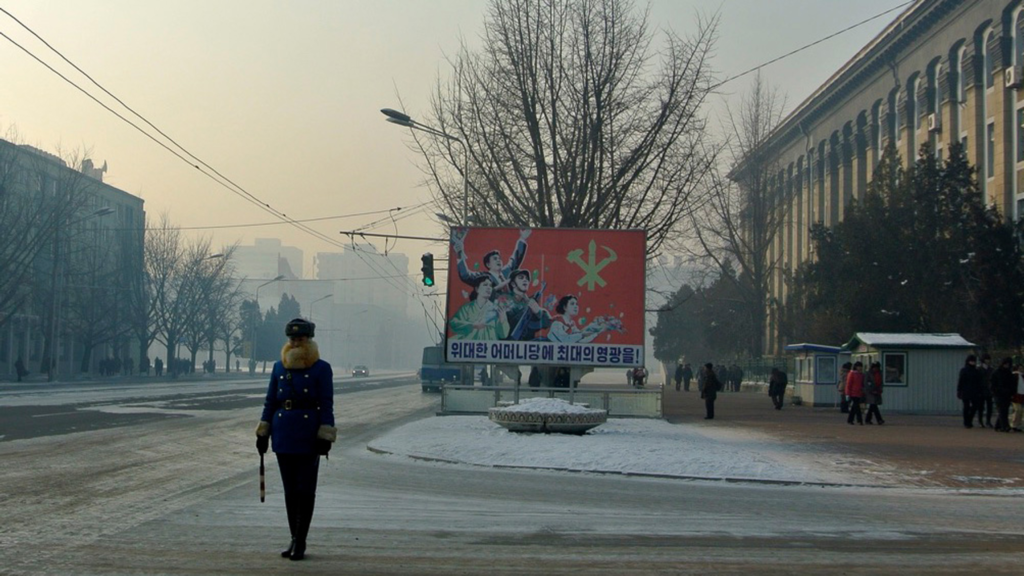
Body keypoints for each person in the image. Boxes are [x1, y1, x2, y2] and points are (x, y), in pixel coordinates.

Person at [255, 318, 336, 561]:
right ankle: (293, 536)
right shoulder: (279, 367)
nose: (296, 342)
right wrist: (263, 432)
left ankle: (301, 540)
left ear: (309, 339)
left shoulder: (321, 368)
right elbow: (270, 401)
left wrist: (325, 433)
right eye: (292, 339)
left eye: (300, 339)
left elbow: (327, 404)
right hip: (283, 435)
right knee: (290, 491)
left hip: (308, 435)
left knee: (305, 490)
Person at [452, 227, 531, 296]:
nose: (498, 260)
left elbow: (516, 258)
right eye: (495, 259)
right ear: (488, 264)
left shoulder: (507, 272)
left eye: (499, 258)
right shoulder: (484, 277)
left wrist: (523, 238)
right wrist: (459, 254)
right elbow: (466, 275)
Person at [449, 277, 509, 341]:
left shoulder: (497, 309)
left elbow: (503, 335)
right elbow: (453, 324)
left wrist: (502, 320)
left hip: (489, 348)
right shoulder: (467, 308)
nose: (488, 288)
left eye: (490, 286)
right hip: (470, 348)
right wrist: (473, 325)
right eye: (485, 285)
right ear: (477, 289)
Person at [957, 354, 983, 429]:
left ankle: (969, 420)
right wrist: (959, 391)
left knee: (974, 406)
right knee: (966, 407)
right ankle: (966, 422)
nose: (973, 362)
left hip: (974, 391)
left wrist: (980, 391)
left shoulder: (976, 371)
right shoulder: (964, 370)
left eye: (974, 361)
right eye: (971, 361)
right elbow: (960, 381)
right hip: (966, 391)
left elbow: (979, 382)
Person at [990, 358, 1016, 433]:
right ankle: (1005, 426)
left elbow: (1012, 384)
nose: (1006, 365)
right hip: (999, 394)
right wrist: (995, 392)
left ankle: (998, 425)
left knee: (1004, 410)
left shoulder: (1009, 373)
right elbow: (992, 384)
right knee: (1002, 410)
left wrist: (1011, 392)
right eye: (1005, 364)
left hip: (1007, 394)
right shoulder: (996, 372)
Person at [977, 354, 994, 428]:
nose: (988, 361)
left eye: (989, 359)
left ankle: (988, 421)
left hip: (989, 390)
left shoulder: (991, 369)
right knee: (981, 407)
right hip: (981, 390)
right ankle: (980, 421)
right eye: (986, 359)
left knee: (989, 407)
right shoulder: (978, 369)